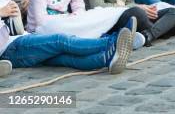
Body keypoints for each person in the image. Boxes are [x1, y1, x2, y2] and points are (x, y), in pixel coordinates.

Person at [0, 18, 134, 75]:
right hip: (12, 48)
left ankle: (106, 59)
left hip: (18, 44)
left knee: (66, 58)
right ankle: (111, 42)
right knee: (60, 41)